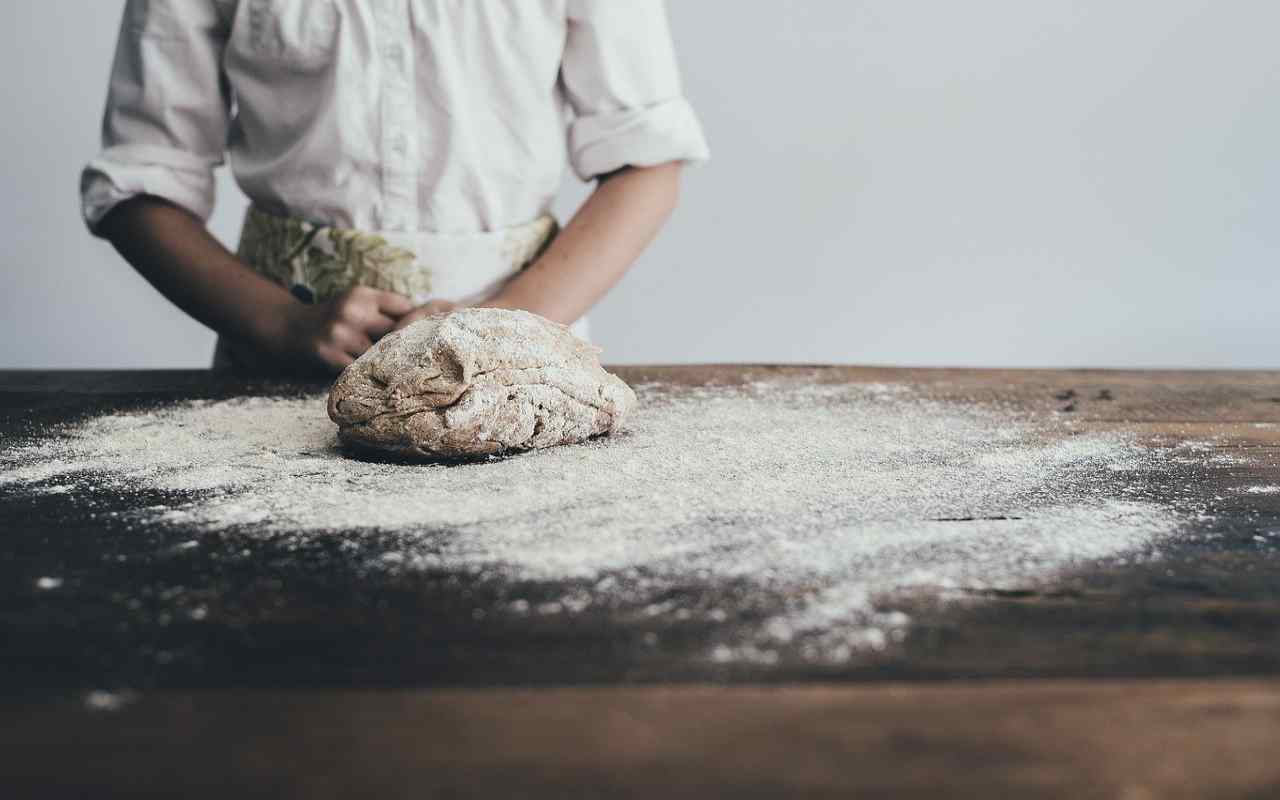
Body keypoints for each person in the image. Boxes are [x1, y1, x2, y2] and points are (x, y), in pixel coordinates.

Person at [82, 0, 708, 374]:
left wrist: (501, 327)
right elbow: (140, 184)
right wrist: (281, 323)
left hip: (522, 361)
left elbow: (646, 164)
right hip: (278, 366)